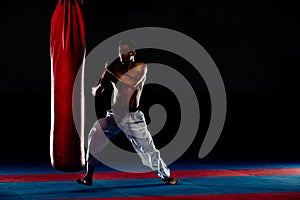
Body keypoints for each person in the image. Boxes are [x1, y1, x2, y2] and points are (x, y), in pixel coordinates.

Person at [75, 40, 179, 186]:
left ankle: (165, 176)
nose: (121, 55)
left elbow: (130, 82)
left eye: (124, 51)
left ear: (132, 53)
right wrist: (98, 84)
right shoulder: (114, 68)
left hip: (132, 117)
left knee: (148, 148)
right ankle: (88, 176)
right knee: (94, 136)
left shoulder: (140, 67)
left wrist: (109, 70)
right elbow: (96, 92)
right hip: (114, 115)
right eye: (119, 51)